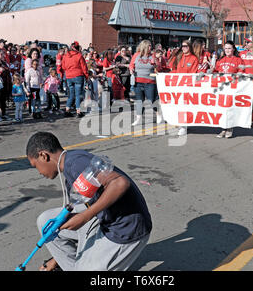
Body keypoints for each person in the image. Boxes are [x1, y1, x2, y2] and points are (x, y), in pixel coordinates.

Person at [26, 132, 152, 271]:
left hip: (125, 230)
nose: (38, 171)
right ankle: (75, 266)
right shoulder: (69, 163)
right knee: (46, 222)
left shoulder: (76, 164)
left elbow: (120, 183)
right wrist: (57, 259)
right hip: (104, 219)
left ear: (43, 156)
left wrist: (85, 217)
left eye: (35, 165)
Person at [213, 40, 245, 139]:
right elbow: (215, 71)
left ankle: (229, 128)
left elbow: (241, 72)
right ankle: (223, 128)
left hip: (232, 88)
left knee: (230, 108)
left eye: (229, 48)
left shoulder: (238, 60)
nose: (227, 50)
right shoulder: (220, 60)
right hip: (222, 88)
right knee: (222, 109)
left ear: (233, 49)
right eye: (226, 48)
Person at [169, 40, 201, 136]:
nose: (183, 48)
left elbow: (193, 73)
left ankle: (184, 126)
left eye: (186, 46)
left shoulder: (194, 58)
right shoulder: (179, 57)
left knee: (185, 106)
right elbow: (175, 70)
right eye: (182, 46)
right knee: (178, 106)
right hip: (178, 85)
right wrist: (165, 74)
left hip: (187, 86)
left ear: (190, 47)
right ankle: (181, 124)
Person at [129, 40, 161, 127]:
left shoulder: (152, 56)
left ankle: (158, 114)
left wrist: (155, 63)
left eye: (151, 46)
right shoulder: (136, 55)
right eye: (149, 46)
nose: (151, 47)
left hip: (150, 82)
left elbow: (158, 67)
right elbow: (131, 65)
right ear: (144, 47)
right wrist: (131, 69)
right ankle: (138, 119)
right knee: (139, 101)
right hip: (138, 82)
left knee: (152, 100)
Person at [62, 41, 88, 118]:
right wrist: (86, 76)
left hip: (69, 76)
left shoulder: (65, 56)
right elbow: (84, 67)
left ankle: (67, 110)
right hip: (78, 76)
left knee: (71, 95)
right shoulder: (79, 55)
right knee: (78, 95)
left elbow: (63, 67)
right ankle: (78, 111)